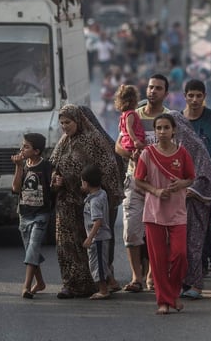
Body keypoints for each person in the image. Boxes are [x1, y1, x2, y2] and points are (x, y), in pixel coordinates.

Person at [50, 105, 124, 299]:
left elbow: (107, 169)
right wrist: (56, 180)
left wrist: (95, 190)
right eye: (62, 123)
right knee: (66, 244)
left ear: (79, 121)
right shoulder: (63, 142)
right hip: (66, 202)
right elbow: (55, 167)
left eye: (69, 122)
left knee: (90, 245)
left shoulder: (93, 140)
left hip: (89, 204)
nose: (65, 127)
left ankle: (95, 283)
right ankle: (71, 284)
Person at [134, 113, 195, 315]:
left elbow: (191, 178)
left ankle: (174, 292)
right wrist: (156, 191)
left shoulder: (182, 153)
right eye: (158, 128)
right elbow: (139, 180)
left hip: (177, 211)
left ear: (173, 129)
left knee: (180, 255)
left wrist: (182, 183)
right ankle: (164, 300)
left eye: (166, 127)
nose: (162, 132)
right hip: (154, 212)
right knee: (158, 260)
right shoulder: (147, 154)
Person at [115, 74, 170, 293]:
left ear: (166, 93)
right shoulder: (132, 115)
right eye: (150, 87)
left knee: (158, 231)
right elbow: (118, 146)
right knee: (131, 230)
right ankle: (136, 276)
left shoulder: (170, 118)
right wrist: (131, 154)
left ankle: (151, 274)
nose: (153, 91)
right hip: (135, 180)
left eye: (158, 88)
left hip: (159, 183)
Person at [180, 79, 211, 299]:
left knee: (199, 240)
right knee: (179, 243)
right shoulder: (175, 129)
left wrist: (193, 187)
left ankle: (196, 282)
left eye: (198, 95)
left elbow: (210, 160)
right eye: (190, 95)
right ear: (184, 96)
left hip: (203, 192)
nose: (194, 100)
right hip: (177, 198)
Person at [11, 133, 53, 299]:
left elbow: (53, 187)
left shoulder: (46, 167)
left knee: (33, 247)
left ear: (36, 151)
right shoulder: (23, 166)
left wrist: (57, 183)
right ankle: (40, 283)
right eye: (22, 146)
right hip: (24, 213)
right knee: (31, 250)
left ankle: (26, 286)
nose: (22, 149)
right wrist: (19, 167)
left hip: (41, 214)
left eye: (26, 147)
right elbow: (15, 188)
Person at [81, 164, 113, 300]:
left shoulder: (94, 201)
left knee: (97, 264)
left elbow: (98, 221)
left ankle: (103, 289)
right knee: (102, 262)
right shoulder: (102, 193)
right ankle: (110, 282)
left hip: (98, 238)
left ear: (86, 183)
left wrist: (90, 238)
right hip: (102, 237)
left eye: (82, 182)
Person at [114, 84, 146, 154]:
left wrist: (123, 135)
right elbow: (129, 128)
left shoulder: (123, 115)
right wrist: (135, 140)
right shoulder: (131, 114)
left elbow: (120, 128)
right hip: (132, 142)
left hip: (125, 141)